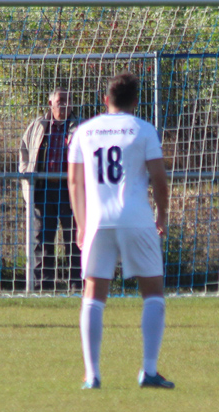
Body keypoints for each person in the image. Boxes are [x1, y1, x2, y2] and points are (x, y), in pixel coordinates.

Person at [68, 72, 173, 389]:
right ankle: (149, 371)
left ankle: (92, 375)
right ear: (136, 101)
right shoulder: (144, 130)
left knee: (93, 295)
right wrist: (162, 215)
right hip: (137, 217)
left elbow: (75, 181)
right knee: (153, 293)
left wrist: (81, 223)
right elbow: (159, 179)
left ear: (105, 100)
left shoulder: (84, 131)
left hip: (98, 220)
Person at [19, 88, 82, 292]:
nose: (64, 104)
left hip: (71, 190)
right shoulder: (37, 127)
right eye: (60, 100)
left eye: (68, 100)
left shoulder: (81, 127)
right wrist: (27, 178)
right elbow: (24, 154)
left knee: (74, 240)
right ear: (50, 103)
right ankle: (43, 287)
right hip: (43, 190)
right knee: (42, 239)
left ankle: (76, 286)